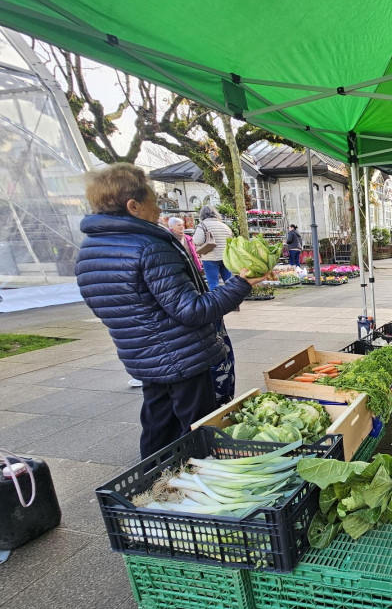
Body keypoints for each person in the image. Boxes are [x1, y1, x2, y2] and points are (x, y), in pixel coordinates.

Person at [74, 163, 267, 459]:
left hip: (141, 356)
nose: (159, 209)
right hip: (181, 356)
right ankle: (197, 483)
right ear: (133, 205)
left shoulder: (90, 249)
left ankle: (153, 483)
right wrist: (241, 284)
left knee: (157, 424)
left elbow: (106, 306)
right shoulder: (150, 246)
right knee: (197, 427)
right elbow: (191, 310)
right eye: (154, 200)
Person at [193, 205, 234, 290]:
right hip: (225, 257)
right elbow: (231, 240)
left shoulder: (202, 225)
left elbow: (197, 241)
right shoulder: (224, 226)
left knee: (213, 282)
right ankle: (233, 301)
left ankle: (215, 302)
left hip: (210, 257)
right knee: (229, 282)